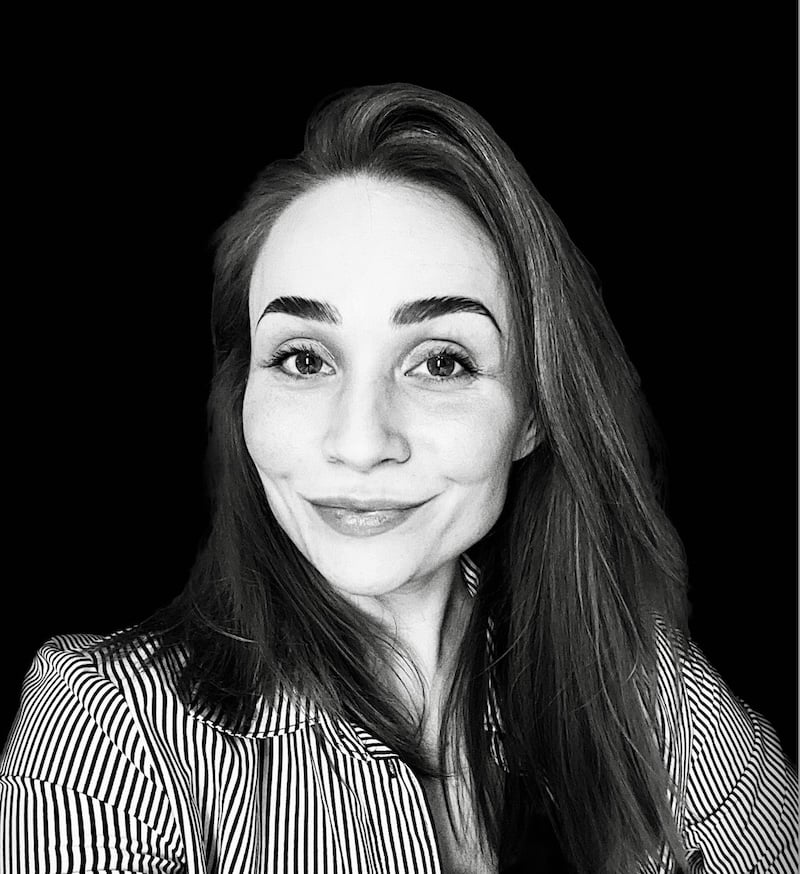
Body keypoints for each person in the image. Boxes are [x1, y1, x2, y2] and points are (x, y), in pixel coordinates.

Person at [1, 82, 796, 874]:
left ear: (532, 414)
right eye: (303, 359)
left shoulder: (650, 690)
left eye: (441, 362)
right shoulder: (110, 732)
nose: (358, 442)